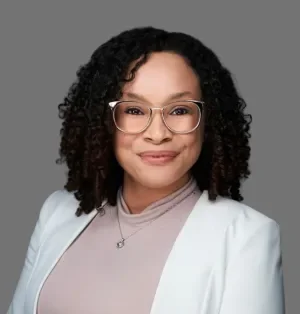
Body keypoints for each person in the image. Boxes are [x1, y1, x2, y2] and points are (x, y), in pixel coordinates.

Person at [7, 26, 285, 314]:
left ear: (207, 121)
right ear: (102, 120)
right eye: (134, 110)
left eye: (179, 110)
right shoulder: (56, 213)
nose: (157, 133)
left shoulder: (247, 237)